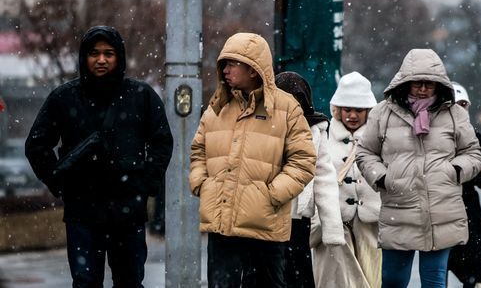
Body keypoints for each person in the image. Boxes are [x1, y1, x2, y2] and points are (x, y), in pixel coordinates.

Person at [25, 25, 174, 287]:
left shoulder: (141, 97)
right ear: (84, 57)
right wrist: (58, 181)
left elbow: (162, 141)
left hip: (128, 212)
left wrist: (146, 182)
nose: (101, 59)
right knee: (85, 282)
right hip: (83, 212)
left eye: (109, 53)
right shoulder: (64, 98)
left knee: (129, 282)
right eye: (94, 53)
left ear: (119, 57)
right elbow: (36, 145)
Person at [189, 33, 317, 288]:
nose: (225, 70)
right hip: (222, 224)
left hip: (265, 227)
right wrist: (203, 185)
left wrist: (270, 195)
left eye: (232, 63)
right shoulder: (218, 107)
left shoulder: (286, 108)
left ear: (254, 69)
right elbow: (198, 151)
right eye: (223, 64)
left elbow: (304, 160)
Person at [356, 48, 481, 288]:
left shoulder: (455, 113)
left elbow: (472, 153)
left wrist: (454, 171)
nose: (423, 89)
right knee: (394, 280)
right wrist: (383, 177)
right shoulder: (382, 113)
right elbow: (365, 152)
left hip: (441, 210)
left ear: (439, 84)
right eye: (417, 83)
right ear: (405, 82)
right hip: (398, 207)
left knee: (434, 280)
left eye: (429, 83)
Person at [274, 71, 346, 288]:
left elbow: (325, 178)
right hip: (269, 213)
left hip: (299, 218)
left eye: (296, 100)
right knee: (272, 275)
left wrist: (332, 228)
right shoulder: (266, 126)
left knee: (299, 276)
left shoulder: (316, 129)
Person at [313, 71, 382, 288]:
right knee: (335, 282)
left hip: (371, 227)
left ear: (368, 111)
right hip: (333, 226)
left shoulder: (381, 139)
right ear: (338, 109)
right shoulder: (321, 137)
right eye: (347, 109)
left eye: (359, 110)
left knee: (371, 280)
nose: (352, 115)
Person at [446, 82, 481, 288]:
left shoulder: (475, 137)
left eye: (463, 105)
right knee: (438, 271)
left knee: (477, 276)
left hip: (469, 213)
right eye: (454, 105)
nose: (459, 110)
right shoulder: (429, 136)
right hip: (439, 211)